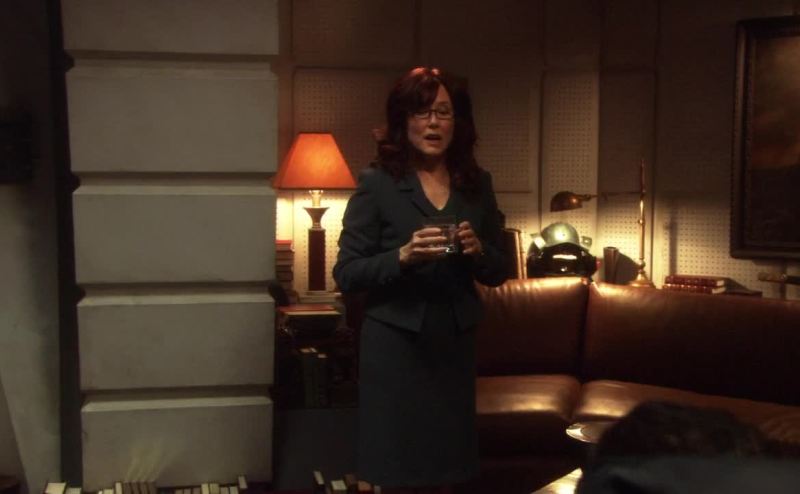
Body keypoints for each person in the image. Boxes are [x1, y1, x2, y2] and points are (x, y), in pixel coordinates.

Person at [333, 67, 509, 493]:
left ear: (458, 122)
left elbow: (500, 270)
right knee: (395, 470)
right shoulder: (377, 183)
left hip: (453, 343)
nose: (433, 123)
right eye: (421, 112)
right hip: (394, 344)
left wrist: (478, 250)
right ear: (403, 120)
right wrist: (402, 256)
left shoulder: (477, 184)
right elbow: (347, 273)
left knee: (449, 472)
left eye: (443, 113)